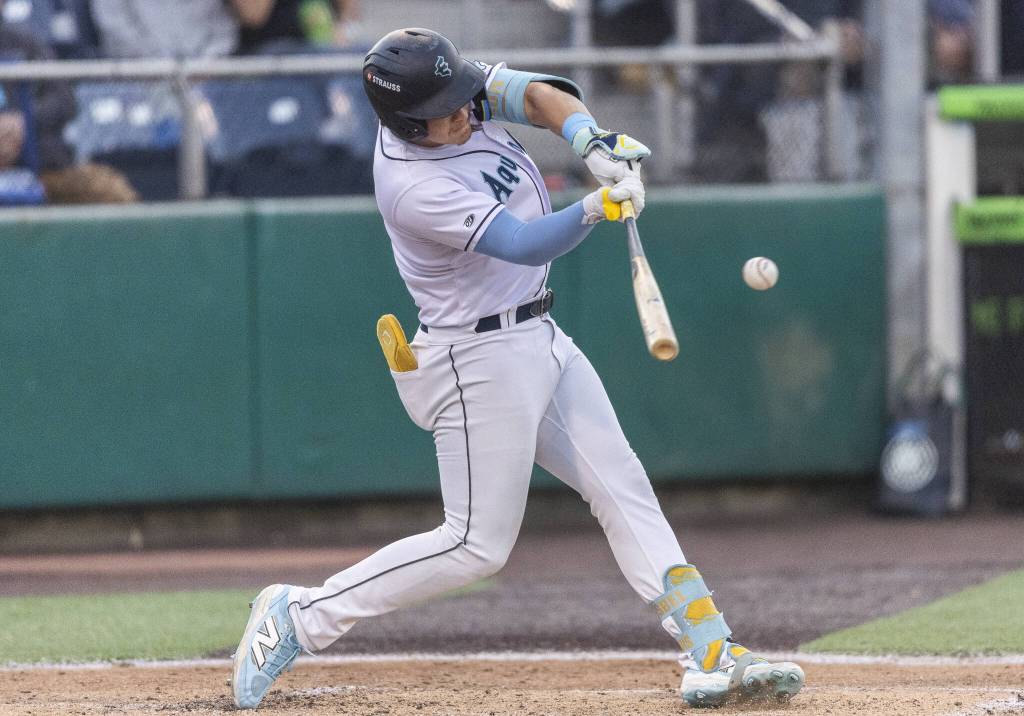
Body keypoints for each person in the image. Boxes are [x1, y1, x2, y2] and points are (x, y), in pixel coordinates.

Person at [229, 27, 806, 710]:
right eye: (448, 108)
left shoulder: (453, 101)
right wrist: (598, 205)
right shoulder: (413, 184)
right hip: (476, 362)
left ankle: (712, 649)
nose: (468, 110)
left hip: (538, 335)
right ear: (409, 124)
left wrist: (590, 139)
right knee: (476, 546)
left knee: (621, 485)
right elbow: (523, 243)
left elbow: (540, 96)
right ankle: (298, 618)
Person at [0, 2, 136, 203]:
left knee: (109, 193)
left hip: (40, 169)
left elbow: (64, 101)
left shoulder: (23, 41)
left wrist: (23, 122)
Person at [233, 0, 362, 54]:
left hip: (322, 47)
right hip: (270, 50)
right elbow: (253, 15)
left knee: (364, 54)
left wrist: (340, 28)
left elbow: (348, 15)